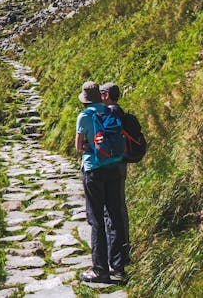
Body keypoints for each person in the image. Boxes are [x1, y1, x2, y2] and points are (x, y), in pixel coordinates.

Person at [76, 81, 127, 283]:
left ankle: (100, 270)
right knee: (114, 215)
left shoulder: (85, 116)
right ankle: (119, 267)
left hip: (94, 170)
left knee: (96, 219)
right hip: (114, 167)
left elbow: (79, 147)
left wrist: (89, 144)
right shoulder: (110, 112)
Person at [100, 82, 131, 269]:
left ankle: (119, 256)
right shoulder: (120, 112)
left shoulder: (110, 113)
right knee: (119, 208)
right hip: (121, 164)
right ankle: (123, 250)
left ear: (106, 95)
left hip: (112, 166)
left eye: (102, 93)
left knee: (113, 211)